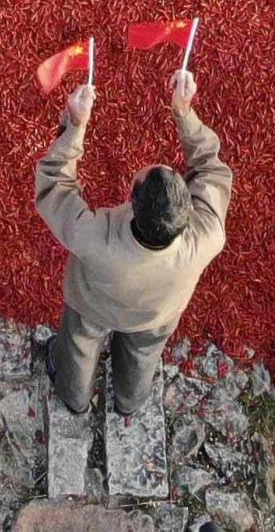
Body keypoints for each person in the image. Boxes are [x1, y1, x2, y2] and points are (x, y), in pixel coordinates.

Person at [35, 69, 232, 418]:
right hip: (157, 314)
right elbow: (210, 169)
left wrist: (76, 126)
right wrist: (184, 112)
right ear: (188, 210)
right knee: (143, 355)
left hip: (92, 304)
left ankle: (75, 399)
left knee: (79, 346)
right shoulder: (206, 236)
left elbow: (55, 187)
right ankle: (129, 402)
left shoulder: (96, 238)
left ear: (132, 203)